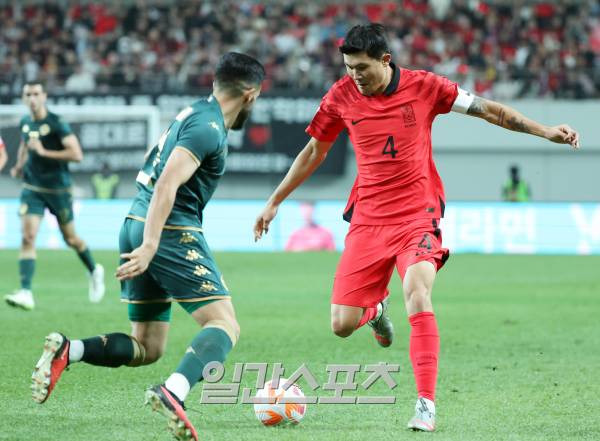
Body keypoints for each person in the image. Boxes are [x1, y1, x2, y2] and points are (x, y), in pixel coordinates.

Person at [254, 24, 579, 432]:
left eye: (362, 68)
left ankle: (425, 404)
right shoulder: (340, 96)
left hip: (416, 215)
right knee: (340, 324)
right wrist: (275, 201)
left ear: (386, 60)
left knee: (418, 292)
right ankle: (375, 310)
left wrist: (544, 131)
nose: (355, 75)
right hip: (368, 219)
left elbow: (490, 110)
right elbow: (314, 151)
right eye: (349, 67)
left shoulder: (426, 87)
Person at [31, 52, 265, 441]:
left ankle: (68, 351)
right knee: (224, 324)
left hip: (134, 223)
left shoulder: (194, 113)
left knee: (147, 346)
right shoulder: (208, 128)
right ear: (251, 95)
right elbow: (167, 184)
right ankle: (174, 392)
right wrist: (153, 244)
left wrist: (145, 241)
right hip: (168, 229)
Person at [5, 80, 105, 310]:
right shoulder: (25, 121)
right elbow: (24, 144)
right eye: (27, 94)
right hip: (32, 188)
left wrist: (43, 152)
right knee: (28, 236)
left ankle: (94, 269)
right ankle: (26, 292)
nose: (32, 98)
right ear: (23, 97)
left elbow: (76, 154)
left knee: (70, 239)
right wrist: (20, 165)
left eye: (36, 94)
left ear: (44, 96)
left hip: (58, 190)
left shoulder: (57, 123)